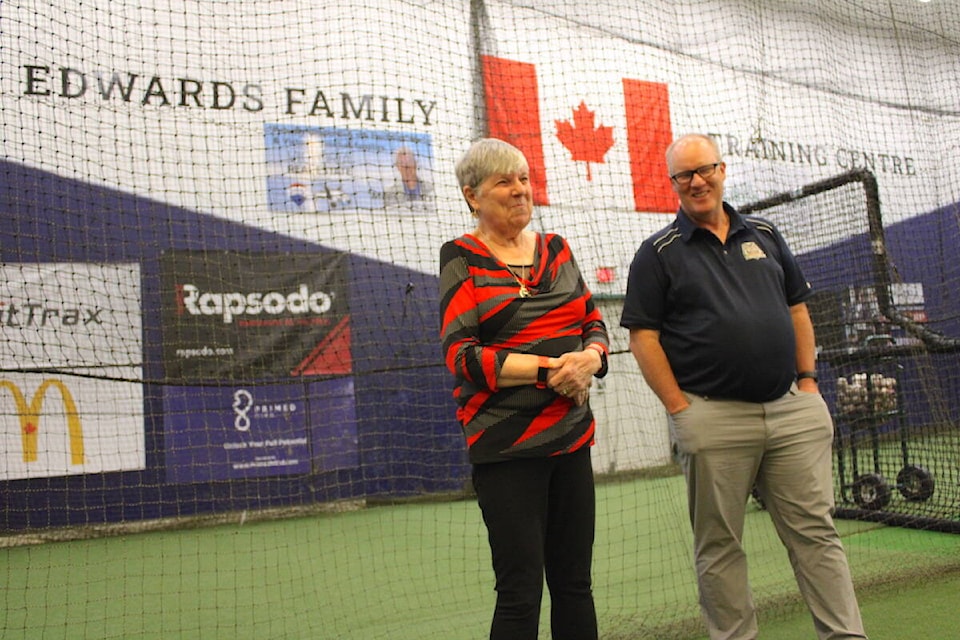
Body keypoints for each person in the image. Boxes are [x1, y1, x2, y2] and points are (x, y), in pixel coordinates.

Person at [620, 133, 868, 640]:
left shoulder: (767, 233)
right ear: (673, 184)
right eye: (684, 175)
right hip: (712, 418)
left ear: (721, 169)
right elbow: (643, 337)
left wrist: (808, 383)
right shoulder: (657, 253)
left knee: (816, 536)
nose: (696, 181)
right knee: (719, 546)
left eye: (704, 169)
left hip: (790, 409)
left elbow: (797, 309)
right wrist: (680, 409)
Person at [439, 137, 609, 640]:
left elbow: (593, 321)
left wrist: (590, 358)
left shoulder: (557, 249)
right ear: (472, 196)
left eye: (524, 179)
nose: (519, 191)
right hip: (505, 451)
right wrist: (549, 369)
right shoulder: (461, 257)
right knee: (520, 593)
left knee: (575, 584)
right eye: (504, 182)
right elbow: (461, 356)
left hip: (572, 440)